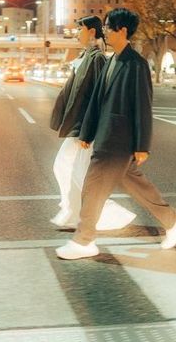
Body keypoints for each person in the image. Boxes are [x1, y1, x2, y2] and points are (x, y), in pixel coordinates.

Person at [56, 8, 176, 260]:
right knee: (136, 185)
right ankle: (175, 222)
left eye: (109, 27)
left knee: (93, 188)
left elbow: (143, 105)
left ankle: (84, 240)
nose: (105, 31)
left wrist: (143, 145)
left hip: (119, 139)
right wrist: (86, 133)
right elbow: (97, 102)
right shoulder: (111, 61)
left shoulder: (136, 64)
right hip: (106, 136)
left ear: (122, 30)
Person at [49, 15, 135, 230]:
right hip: (79, 126)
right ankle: (73, 212)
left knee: (73, 169)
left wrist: (92, 130)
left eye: (81, 30)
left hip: (86, 127)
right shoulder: (86, 56)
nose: (77, 34)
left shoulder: (96, 59)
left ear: (92, 32)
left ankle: (107, 215)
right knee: (69, 168)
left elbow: (99, 97)